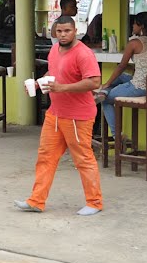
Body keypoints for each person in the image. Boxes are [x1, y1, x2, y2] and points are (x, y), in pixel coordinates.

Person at [15, 15, 104, 217]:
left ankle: (95, 202)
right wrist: (38, 83)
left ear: (75, 31)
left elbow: (94, 82)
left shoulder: (84, 53)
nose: (63, 35)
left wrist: (62, 88)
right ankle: (36, 201)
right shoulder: (54, 50)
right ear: (54, 32)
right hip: (55, 114)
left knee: (83, 159)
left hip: (78, 116)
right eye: (59, 31)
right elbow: (52, 73)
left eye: (67, 31)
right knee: (45, 157)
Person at [97, 11, 147, 135]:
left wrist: (107, 83)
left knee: (106, 100)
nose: (132, 26)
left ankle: (117, 136)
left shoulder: (134, 43)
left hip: (139, 88)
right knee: (121, 78)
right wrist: (146, 69)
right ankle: (105, 91)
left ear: (142, 26)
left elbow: (121, 66)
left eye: (135, 23)